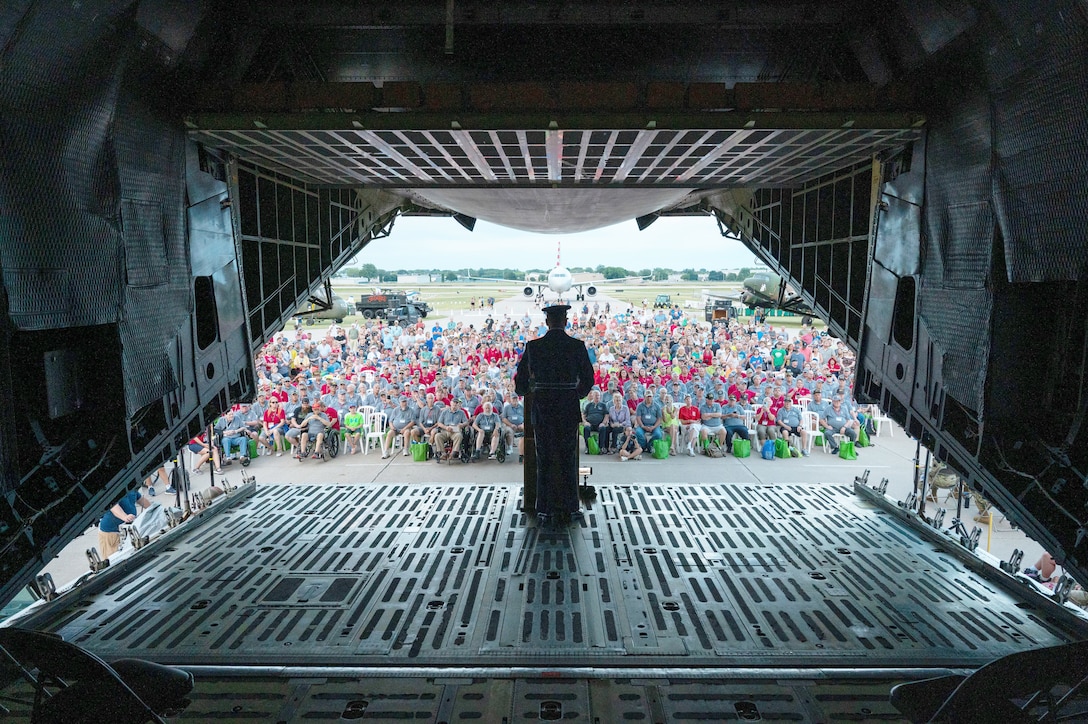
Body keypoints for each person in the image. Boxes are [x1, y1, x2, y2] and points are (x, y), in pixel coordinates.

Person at [514, 304, 594, 525]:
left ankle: (544, 508)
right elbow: (588, 378)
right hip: (567, 407)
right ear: (565, 321)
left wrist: (531, 390)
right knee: (568, 458)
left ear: (547, 322)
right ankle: (570, 507)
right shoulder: (576, 346)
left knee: (545, 458)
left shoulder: (534, 347)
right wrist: (574, 394)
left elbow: (520, 384)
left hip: (543, 408)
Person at [98, 489, 151, 558]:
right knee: (113, 560)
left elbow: (141, 499)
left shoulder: (131, 487)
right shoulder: (115, 488)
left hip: (127, 529)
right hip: (111, 533)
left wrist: (152, 508)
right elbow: (113, 506)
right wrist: (124, 516)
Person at [581, 389, 610, 454]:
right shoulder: (589, 405)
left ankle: (601, 448)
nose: (597, 397)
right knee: (586, 428)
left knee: (603, 428)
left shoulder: (603, 405)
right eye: (596, 396)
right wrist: (585, 422)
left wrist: (603, 423)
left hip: (599, 424)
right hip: (590, 424)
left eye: (599, 396)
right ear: (593, 396)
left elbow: (606, 415)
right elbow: (583, 415)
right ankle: (588, 447)